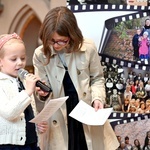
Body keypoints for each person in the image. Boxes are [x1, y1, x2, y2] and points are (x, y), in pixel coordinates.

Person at [33, 6, 119, 150]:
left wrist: (97, 98)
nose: (55, 45)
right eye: (51, 40)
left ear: (72, 35)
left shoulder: (88, 47)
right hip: (60, 116)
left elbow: (97, 78)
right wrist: (42, 93)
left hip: (86, 111)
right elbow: (42, 89)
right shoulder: (40, 54)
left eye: (61, 41)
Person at [0, 33, 48, 149]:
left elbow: (27, 112)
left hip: (30, 141)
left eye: (22, 58)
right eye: (13, 59)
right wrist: (27, 92)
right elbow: (9, 113)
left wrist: (36, 125)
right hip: (10, 145)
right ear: (0, 62)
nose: (20, 63)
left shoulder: (23, 80)